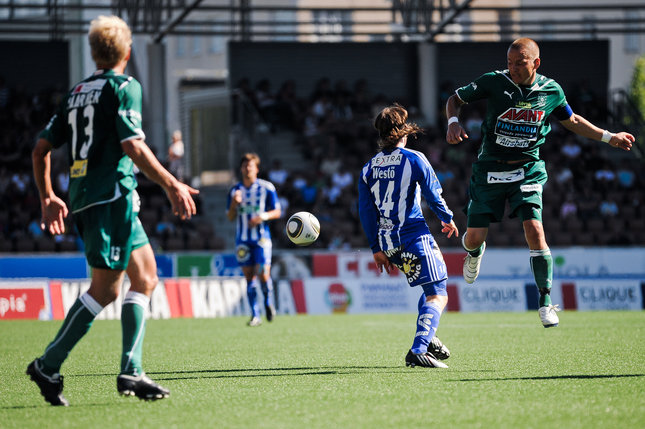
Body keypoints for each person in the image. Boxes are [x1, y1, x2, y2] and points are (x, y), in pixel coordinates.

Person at [27, 15, 199, 406]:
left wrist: (47, 196)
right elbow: (133, 146)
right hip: (111, 196)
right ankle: (48, 364)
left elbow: (40, 150)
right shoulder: (125, 87)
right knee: (104, 290)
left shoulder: (75, 92)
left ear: (93, 51)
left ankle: (130, 370)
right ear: (127, 50)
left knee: (146, 277)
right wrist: (172, 184)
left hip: (88, 196)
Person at [445, 37, 634, 328]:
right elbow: (454, 100)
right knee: (473, 238)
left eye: (519, 64)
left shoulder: (551, 90)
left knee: (534, 229)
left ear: (536, 63)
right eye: (510, 63)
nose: (513, 69)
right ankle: (474, 252)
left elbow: (572, 120)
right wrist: (453, 122)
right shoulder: (494, 81)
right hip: (489, 170)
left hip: (528, 169)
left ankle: (545, 302)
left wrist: (610, 137)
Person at [358, 104, 459, 368]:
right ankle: (419, 348)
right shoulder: (414, 158)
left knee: (429, 289)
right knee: (438, 293)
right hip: (414, 236)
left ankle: (428, 336)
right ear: (404, 131)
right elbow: (433, 194)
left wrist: (375, 249)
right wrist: (447, 218)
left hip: (389, 244)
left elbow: (366, 212)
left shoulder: (368, 168)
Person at [227, 153, 282, 327]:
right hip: (242, 240)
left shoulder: (267, 188)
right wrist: (234, 204)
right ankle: (255, 315)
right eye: (244, 166)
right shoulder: (235, 190)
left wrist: (262, 217)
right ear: (241, 169)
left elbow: (278, 211)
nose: (247, 168)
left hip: (261, 240)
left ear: (256, 169)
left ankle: (268, 303)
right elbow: (230, 217)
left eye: (250, 166)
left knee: (263, 274)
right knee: (249, 278)